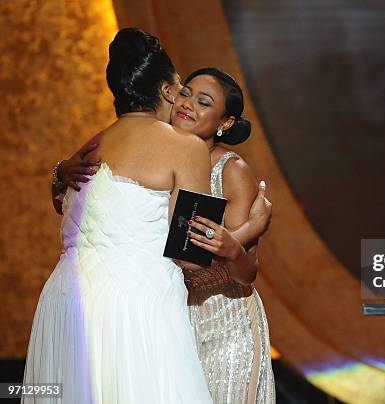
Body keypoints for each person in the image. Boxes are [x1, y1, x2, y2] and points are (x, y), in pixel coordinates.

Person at [23, 28, 215, 403]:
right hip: (138, 305)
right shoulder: (187, 147)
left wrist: (57, 172)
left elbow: (61, 200)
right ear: (166, 91)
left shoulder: (91, 145)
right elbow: (192, 254)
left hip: (66, 302)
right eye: (180, 87)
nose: (183, 98)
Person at [170, 67, 276, 403]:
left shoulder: (230, 170)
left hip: (228, 323)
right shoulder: (159, 161)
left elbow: (248, 273)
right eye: (185, 93)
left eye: (203, 102)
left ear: (224, 123)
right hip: (172, 319)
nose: (188, 104)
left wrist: (234, 245)